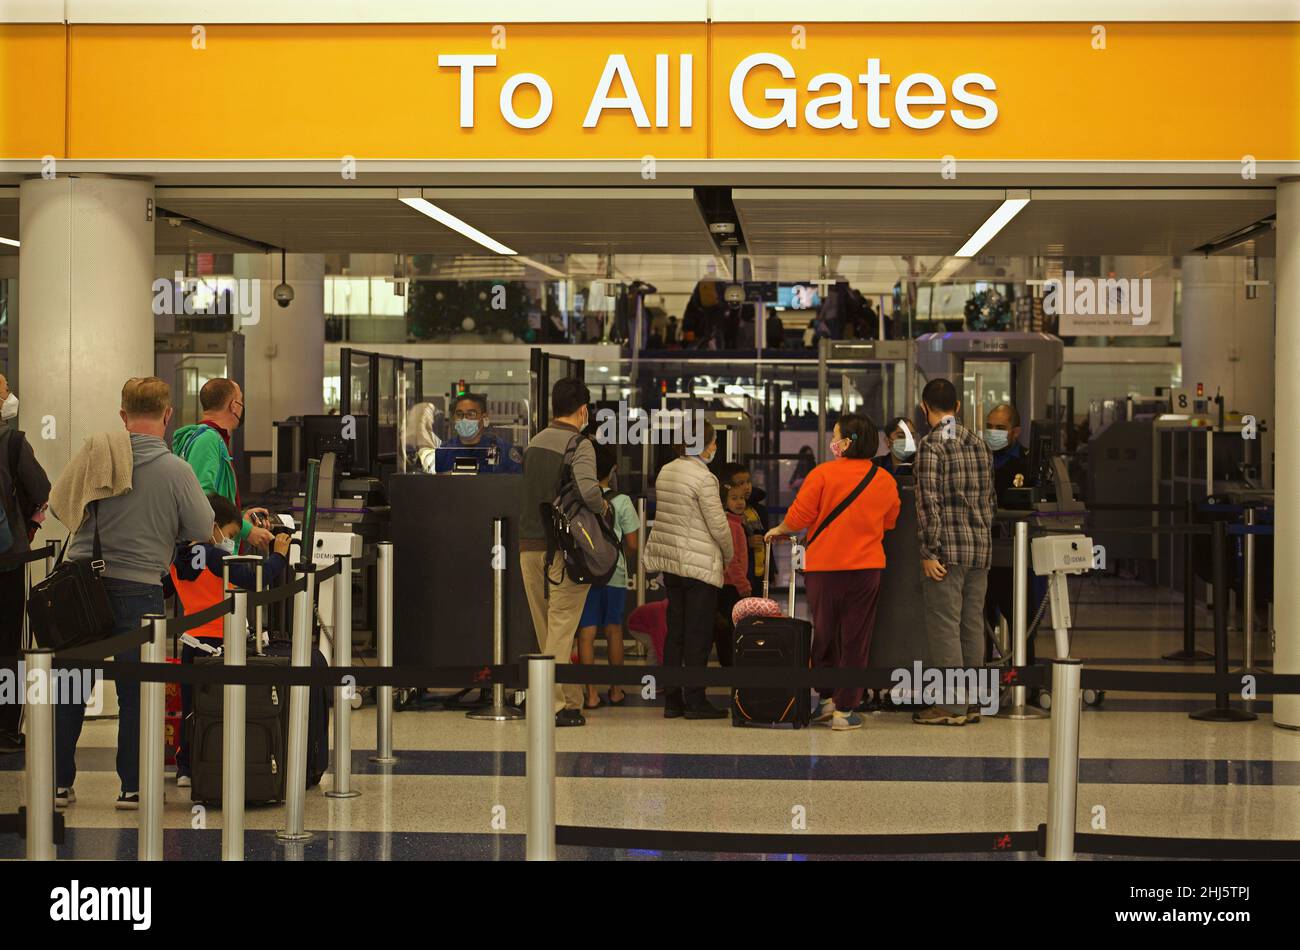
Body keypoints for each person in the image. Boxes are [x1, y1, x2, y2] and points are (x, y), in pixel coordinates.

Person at [53, 377, 215, 809]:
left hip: (81, 583)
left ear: (122, 415)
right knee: (137, 692)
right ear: (167, 416)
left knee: (70, 685)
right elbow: (202, 529)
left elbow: (59, 502)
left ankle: (56, 782)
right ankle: (132, 786)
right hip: (140, 589)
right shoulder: (176, 471)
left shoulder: (94, 454)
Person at [765, 413, 900, 731]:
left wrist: (779, 529)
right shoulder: (884, 480)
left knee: (824, 633)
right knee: (856, 639)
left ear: (847, 442)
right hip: (865, 569)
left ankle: (825, 698)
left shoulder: (822, 474)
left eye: (837, 435)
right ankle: (845, 709)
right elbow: (890, 521)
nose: (833, 441)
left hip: (824, 568)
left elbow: (799, 516)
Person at [170, 494, 291, 786]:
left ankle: (187, 766)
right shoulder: (215, 555)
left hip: (190, 643)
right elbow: (257, 578)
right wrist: (279, 555)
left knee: (191, 709)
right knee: (221, 708)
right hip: (220, 646)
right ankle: (219, 759)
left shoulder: (176, 555)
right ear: (213, 526)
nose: (230, 540)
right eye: (231, 534)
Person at [519, 378, 606, 727]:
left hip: (528, 547)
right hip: (565, 553)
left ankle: (569, 700)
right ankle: (550, 706)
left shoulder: (534, 442)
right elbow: (588, 491)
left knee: (550, 631)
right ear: (583, 409)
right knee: (560, 628)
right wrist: (603, 506)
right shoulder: (579, 444)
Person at [913, 378, 997, 726]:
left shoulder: (931, 445)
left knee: (945, 625)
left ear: (924, 408)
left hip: (947, 551)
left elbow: (928, 502)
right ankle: (974, 701)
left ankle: (950, 705)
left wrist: (929, 551)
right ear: (957, 407)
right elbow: (990, 500)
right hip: (980, 549)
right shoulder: (979, 443)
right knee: (972, 625)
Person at [642, 420, 732, 719]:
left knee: (675, 632)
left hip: (673, 564)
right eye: (712, 441)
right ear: (702, 443)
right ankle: (695, 700)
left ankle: (673, 701)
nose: (714, 447)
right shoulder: (704, 477)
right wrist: (729, 554)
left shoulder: (667, 470)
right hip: (698, 564)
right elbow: (718, 524)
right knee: (698, 633)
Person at [0, 380, 51, 755]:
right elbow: (41, 487)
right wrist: (27, 525)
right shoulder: (12, 442)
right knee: (7, 645)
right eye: (3, 391)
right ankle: (5, 729)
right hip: (7, 559)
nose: (10, 397)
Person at [172, 378, 273, 551]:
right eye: (241, 401)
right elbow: (203, 499)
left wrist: (239, 519)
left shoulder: (210, 439)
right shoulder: (208, 440)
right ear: (234, 406)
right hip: (210, 556)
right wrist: (247, 530)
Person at [575, 442, 640, 710]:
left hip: (587, 572)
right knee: (614, 630)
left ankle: (590, 694)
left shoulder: (579, 498)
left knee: (586, 633)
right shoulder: (622, 501)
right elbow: (634, 544)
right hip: (614, 572)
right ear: (612, 470)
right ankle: (615, 690)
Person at [434, 392, 522, 474]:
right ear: (454, 418)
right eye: (459, 414)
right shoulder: (444, 452)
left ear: (484, 417)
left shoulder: (502, 450)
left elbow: (517, 482)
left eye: (471, 414)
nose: (464, 419)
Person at [713, 481, 751, 667]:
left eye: (742, 498)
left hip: (731, 584)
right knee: (728, 628)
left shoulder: (737, 523)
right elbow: (732, 559)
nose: (739, 502)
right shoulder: (731, 525)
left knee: (728, 628)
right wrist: (743, 584)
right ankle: (729, 664)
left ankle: (729, 662)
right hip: (730, 585)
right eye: (734, 498)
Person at [984, 403, 1030, 497]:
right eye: (989, 427)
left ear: (1016, 432)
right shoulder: (978, 458)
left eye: (1000, 428)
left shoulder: (1029, 461)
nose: (993, 432)